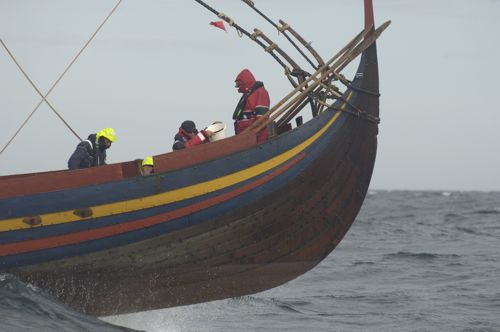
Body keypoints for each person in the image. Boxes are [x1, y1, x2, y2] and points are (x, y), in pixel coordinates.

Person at [232, 68, 270, 142]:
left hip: (255, 139)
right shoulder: (247, 95)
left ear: (244, 82)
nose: (238, 87)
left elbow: (261, 119)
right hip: (244, 137)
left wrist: (255, 138)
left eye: (239, 84)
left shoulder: (260, 92)